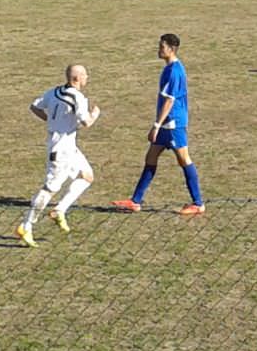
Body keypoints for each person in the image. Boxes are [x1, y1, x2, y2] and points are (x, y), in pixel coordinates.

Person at [112, 33, 205, 215]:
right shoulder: (169, 68)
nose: (159, 49)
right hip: (166, 124)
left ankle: (198, 203)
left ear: (171, 49)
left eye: (162, 47)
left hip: (173, 125)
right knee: (151, 157)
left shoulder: (175, 71)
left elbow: (169, 101)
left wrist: (156, 125)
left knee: (184, 159)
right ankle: (135, 201)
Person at [17, 63, 101, 245]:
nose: (87, 78)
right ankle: (27, 225)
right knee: (50, 189)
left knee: (87, 176)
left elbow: (35, 106)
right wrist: (95, 114)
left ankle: (59, 210)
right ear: (76, 78)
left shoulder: (54, 92)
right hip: (61, 151)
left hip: (69, 148)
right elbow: (86, 123)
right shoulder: (78, 98)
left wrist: (51, 122)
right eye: (85, 74)